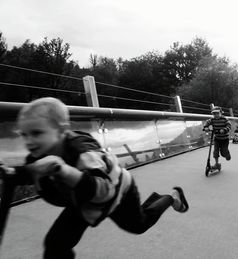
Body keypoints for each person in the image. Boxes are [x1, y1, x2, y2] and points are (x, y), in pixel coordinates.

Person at [0, 97, 189, 259]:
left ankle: (172, 197)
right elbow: (30, 172)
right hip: (81, 201)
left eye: (36, 133)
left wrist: (62, 170)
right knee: (56, 244)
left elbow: (103, 190)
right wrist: (10, 171)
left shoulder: (83, 150)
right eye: (24, 135)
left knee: (139, 225)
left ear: (61, 130)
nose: (29, 141)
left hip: (118, 192)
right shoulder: (36, 155)